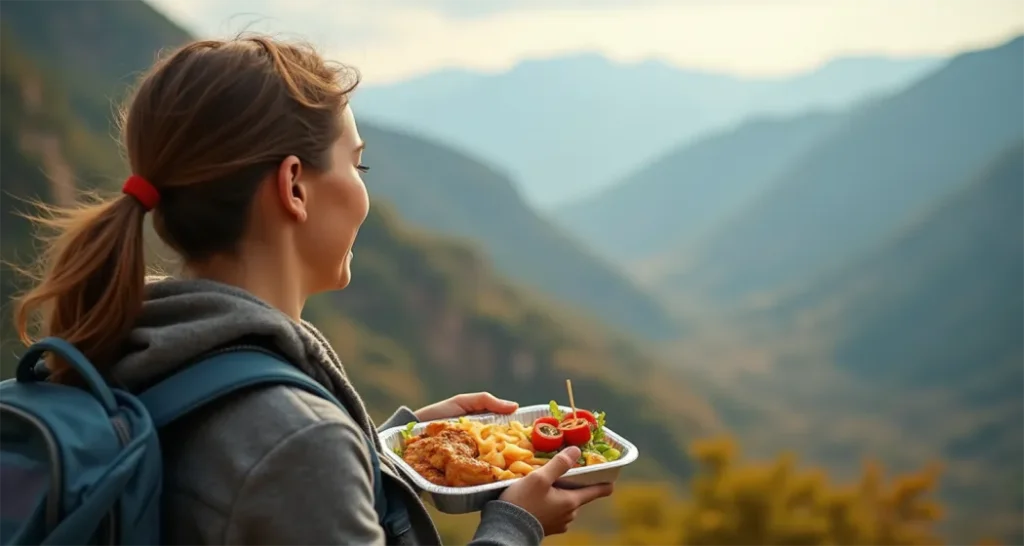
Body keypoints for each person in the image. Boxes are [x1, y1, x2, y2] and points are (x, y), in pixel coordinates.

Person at [12, 35, 613, 546]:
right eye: (359, 165)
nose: (364, 190)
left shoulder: (134, 342)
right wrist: (513, 524)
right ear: (295, 187)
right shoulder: (301, 442)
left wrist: (377, 452)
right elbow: (275, 461)